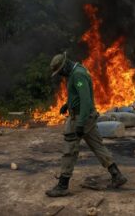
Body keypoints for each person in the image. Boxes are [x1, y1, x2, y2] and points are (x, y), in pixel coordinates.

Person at [46, 52, 127, 197]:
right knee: (98, 146)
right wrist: (67, 104)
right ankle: (117, 175)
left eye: (60, 72)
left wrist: (80, 124)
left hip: (81, 118)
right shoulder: (76, 72)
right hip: (86, 117)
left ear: (64, 67)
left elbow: (86, 101)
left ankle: (63, 186)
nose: (60, 75)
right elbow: (79, 95)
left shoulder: (77, 75)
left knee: (69, 149)